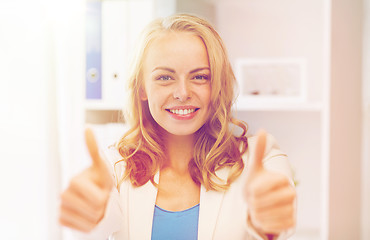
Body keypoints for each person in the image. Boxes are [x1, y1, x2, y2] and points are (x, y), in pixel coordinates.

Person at [59, 14, 296, 240]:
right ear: (142, 88)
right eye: (165, 77)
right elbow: (92, 228)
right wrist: (88, 212)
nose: (183, 93)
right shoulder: (114, 166)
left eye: (200, 77)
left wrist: (270, 217)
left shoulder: (262, 159)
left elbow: (276, 226)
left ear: (218, 86)